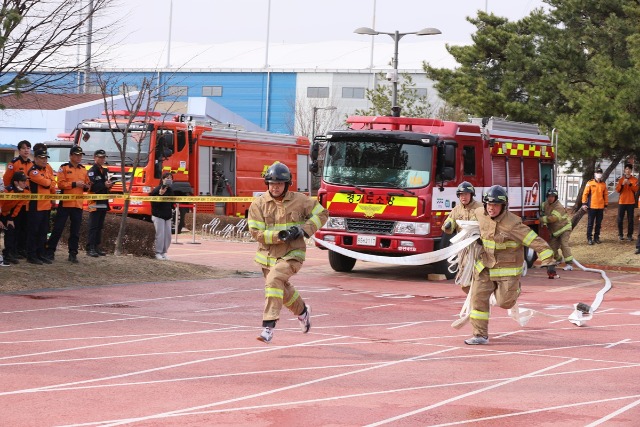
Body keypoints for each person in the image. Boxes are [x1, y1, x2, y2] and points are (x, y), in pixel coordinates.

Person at [247, 162, 328, 343]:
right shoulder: (258, 204)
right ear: (267, 184)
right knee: (282, 291)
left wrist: (303, 230)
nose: (275, 187)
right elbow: (256, 233)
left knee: (274, 280)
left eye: (279, 184)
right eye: (272, 184)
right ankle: (303, 312)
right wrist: (279, 236)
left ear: (287, 184)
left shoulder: (300, 200)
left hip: (293, 254)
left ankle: (268, 327)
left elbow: (322, 213)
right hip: (267, 257)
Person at [466, 185, 557, 345]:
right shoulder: (480, 213)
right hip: (485, 266)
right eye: (488, 204)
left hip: (506, 270)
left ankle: (515, 289)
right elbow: (466, 216)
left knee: (504, 303)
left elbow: (535, 241)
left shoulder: (513, 224)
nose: (491, 208)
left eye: (495, 205)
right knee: (478, 298)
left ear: (503, 206)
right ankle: (480, 335)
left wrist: (548, 260)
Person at [45, 145, 90, 263]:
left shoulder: (83, 169)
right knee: (58, 229)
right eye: (77, 155)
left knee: (75, 231)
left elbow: (87, 184)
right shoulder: (63, 168)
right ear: (71, 156)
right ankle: (50, 251)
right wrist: (75, 184)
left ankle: (73, 254)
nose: (79, 157)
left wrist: (87, 186)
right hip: (65, 204)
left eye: (80, 155)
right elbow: (60, 184)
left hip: (78, 204)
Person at [441, 181, 483, 290]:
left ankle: (478, 296)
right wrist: (448, 225)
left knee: (478, 274)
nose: (463, 197)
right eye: (461, 195)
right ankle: (472, 297)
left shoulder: (480, 208)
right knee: (464, 280)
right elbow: (447, 227)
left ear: (471, 195)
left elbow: (489, 226)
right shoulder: (456, 210)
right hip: (463, 249)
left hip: (478, 248)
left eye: (466, 194)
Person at [26, 147, 57, 265]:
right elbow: (47, 182)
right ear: (36, 158)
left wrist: (49, 182)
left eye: (45, 158)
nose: (44, 160)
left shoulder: (46, 170)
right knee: (33, 232)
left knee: (43, 232)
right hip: (35, 206)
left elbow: (53, 183)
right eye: (42, 158)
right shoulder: (33, 171)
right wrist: (48, 182)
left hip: (46, 206)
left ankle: (40, 254)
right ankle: (31, 255)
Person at [3, 140, 32, 259]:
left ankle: (21, 249)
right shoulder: (14, 163)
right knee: (14, 226)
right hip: (14, 199)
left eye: (28, 148)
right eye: (24, 148)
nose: (26, 150)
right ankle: (11, 250)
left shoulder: (31, 164)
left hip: (26, 200)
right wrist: (12, 193)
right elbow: (6, 179)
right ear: (19, 150)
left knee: (24, 227)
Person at [86, 149, 114, 257]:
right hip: (94, 200)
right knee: (93, 225)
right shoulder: (92, 171)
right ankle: (90, 248)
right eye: (99, 157)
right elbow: (92, 186)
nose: (102, 159)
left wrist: (109, 185)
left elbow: (104, 184)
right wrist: (104, 185)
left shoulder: (105, 170)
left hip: (103, 200)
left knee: (99, 225)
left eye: (103, 157)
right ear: (95, 158)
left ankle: (97, 247)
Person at [541, 188, 574, 272]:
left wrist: (542, 219)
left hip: (564, 229)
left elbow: (553, 218)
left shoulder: (558, 206)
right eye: (549, 196)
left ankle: (569, 264)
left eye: (553, 197)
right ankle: (558, 259)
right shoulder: (545, 204)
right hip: (555, 232)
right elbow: (541, 208)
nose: (550, 198)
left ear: (556, 197)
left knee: (564, 244)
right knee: (551, 248)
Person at [0, 171, 29, 265]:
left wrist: (11, 218)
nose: (25, 183)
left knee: (11, 231)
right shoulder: (7, 191)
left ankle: (8, 253)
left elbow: (18, 207)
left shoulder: (24, 192)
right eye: (23, 181)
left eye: (26, 181)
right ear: (16, 182)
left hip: (7, 213)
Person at [150, 171, 175, 260]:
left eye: (170, 178)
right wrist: (160, 194)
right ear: (162, 179)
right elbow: (153, 203)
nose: (169, 180)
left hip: (167, 216)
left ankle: (164, 252)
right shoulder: (157, 190)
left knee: (168, 235)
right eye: (167, 178)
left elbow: (172, 203)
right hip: (158, 215)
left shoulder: (171, 190)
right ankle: (158, 252)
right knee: (160, 235)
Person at [581, 167, 608, 245]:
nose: (598, 174)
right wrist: (584, 204)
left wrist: (606, 205)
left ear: (601, 174)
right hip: (592, 207)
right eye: (597, 173)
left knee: (598, 224)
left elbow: (605, 195)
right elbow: (585, 194)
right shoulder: (590, 183)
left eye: (600, 173)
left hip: (600, 207)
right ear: (594, 174)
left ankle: (596, 237)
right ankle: (589, 238)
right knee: (590, 223)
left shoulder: (603, 184)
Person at [615, 163, 637, 241]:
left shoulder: (634, 179)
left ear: (631, 171)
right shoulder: (621, 179)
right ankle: (620, 234)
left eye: (629, 169)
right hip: (622, 202)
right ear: (624, 170)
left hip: (631, 202)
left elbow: (636, 189)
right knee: (620, 219)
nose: (628, 171)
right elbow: (617, 190)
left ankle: (629, 235)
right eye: (626, 169)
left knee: (630, 219)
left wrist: (630, 184)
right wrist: (622, 184)